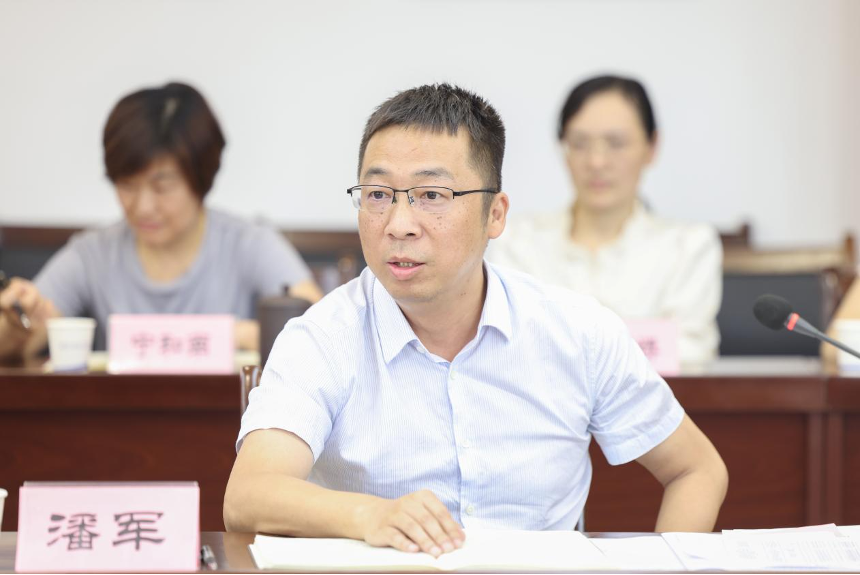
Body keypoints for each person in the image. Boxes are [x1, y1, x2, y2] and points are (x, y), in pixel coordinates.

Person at [224, 83, 728, 555]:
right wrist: (368, 516)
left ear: (495, 215)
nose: (399, 225)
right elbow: (247, 496)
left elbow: (696, 470)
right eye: (378, 195)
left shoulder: (577, 333)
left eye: (432, 196)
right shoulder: (322, 337)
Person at [0, 82, 322, 361]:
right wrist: (16, 324)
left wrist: (243, 335)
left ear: (201, 180)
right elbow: (25, 340)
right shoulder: (93, 253)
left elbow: (322, 331)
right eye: (127, 185)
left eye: (162, 186)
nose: (143, 207)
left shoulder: (248, 243)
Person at [487, 75, 722, 367]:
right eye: (579, 143)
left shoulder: (688, 247)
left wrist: (566, 344)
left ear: (652, 147)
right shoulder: (516, 242)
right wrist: (638, 340)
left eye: (616, 143)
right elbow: (510, 347)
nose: (596, 162)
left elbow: (690, 350)